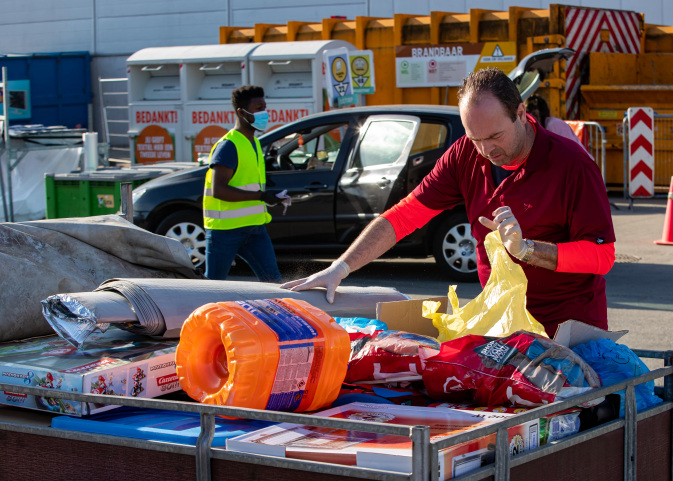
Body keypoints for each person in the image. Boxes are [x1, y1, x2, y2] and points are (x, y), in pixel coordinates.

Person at [282, 68, 615, 337]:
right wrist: (341, 267)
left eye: (494, 136)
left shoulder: (572, 165)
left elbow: (602, 256)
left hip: (570, 329)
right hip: (503, 324)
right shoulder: (464, 155)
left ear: (521, 113)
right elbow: (404, 216)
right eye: (475, 138)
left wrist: (528, 249)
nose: (485, 150)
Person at [203, 85, 285, 282]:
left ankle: (274, 314)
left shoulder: (254, 143)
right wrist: (260, 196)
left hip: (255, 228)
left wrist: (269, 196)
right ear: (241, 112)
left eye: (265, 108)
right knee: (212, 287)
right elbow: (219, 190)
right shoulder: (228, 146)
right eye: (259, 109)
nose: (264, 114)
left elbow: (249, 184)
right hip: (225, 232)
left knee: (273, 283)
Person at [526, 95, 593, 159]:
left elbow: (567, 151)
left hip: (580, 163)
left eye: (535, 115)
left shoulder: (553, 125)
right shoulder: (545, 127)